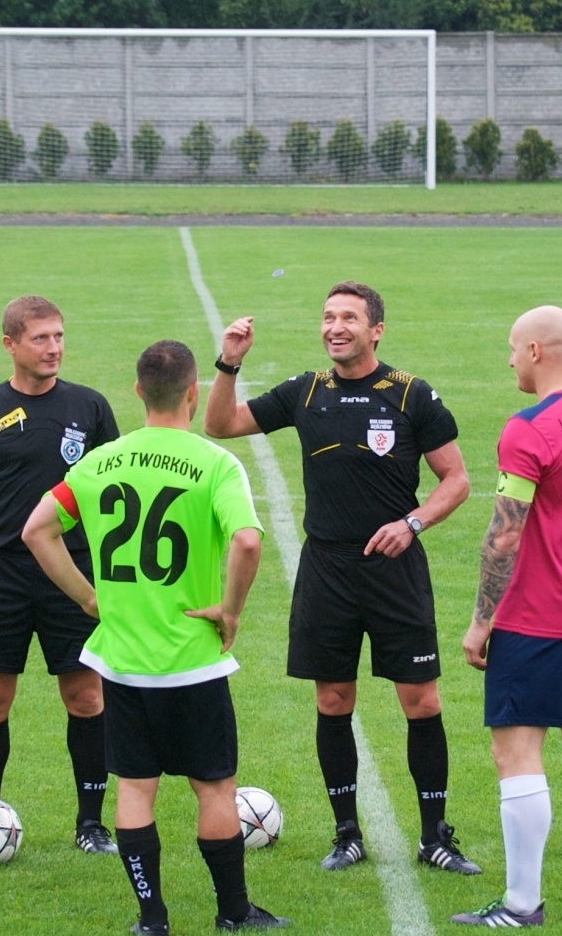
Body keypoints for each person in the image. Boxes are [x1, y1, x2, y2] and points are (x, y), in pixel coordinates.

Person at [205, 282, 480, 875]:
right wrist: (230, 361)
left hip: (395, 569)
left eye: (349, 318)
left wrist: (413, 521)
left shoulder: (412, 394)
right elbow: (221, 425)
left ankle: (435, 835)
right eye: (328, 316)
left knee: (422, 700)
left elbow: (457, 480)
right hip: (327, 567)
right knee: (332, 699)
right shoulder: (305, 390)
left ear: (375, 329)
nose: (335, 327)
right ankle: (346, 832)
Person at [22, 340, 289, 936]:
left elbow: (36, 529)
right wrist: (231, 611)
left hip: (120, 659)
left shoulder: (98, 463)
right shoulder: (216, 464)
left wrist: (87, 597)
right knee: (214, 786)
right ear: (194, 393)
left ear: (138, 391)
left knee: (135, 789)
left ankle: (153, 918)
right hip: (191, 660)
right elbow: (247, 542)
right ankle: (233, 911)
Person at [450, 306, 562, 929]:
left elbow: (504, 536)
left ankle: (523, 904)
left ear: (534, 350)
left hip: (539, 618)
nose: (507, 361)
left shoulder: (529, 428)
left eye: (510, 349)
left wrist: (480, 621)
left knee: (516, 755)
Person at [0, 295, 121, 855]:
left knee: (86, 698)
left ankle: (91, 823)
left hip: (72, 574)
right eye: (41, 338)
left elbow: (115, 497)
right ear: (10, 345)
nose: (54, 348)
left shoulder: (90, 408)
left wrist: (111, 575)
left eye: (59, 336)